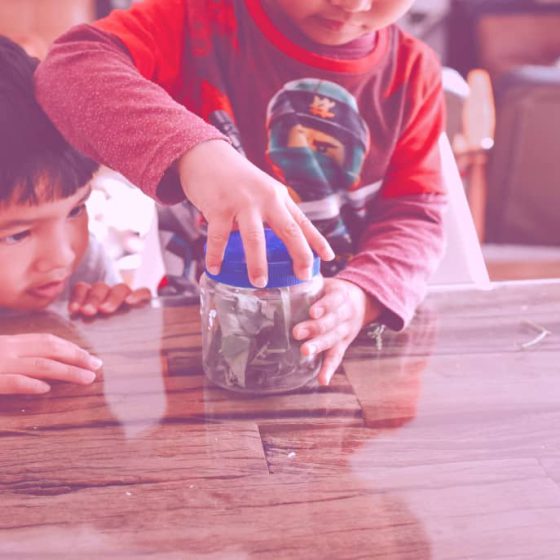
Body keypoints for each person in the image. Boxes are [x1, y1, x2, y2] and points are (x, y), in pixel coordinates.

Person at [35, 0, 447, 386]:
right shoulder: (195, 21)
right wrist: (194, 154)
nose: (353, 4)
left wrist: (365, 295)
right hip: (201, 344)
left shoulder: (413, 73)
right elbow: (69, 67)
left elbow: (416, 212)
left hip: (340, 352)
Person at [0, 36, 151, 395]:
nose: (62, 257)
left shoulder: (85, 264)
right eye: (16, 234)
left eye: (75, 210)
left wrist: (110, 312)